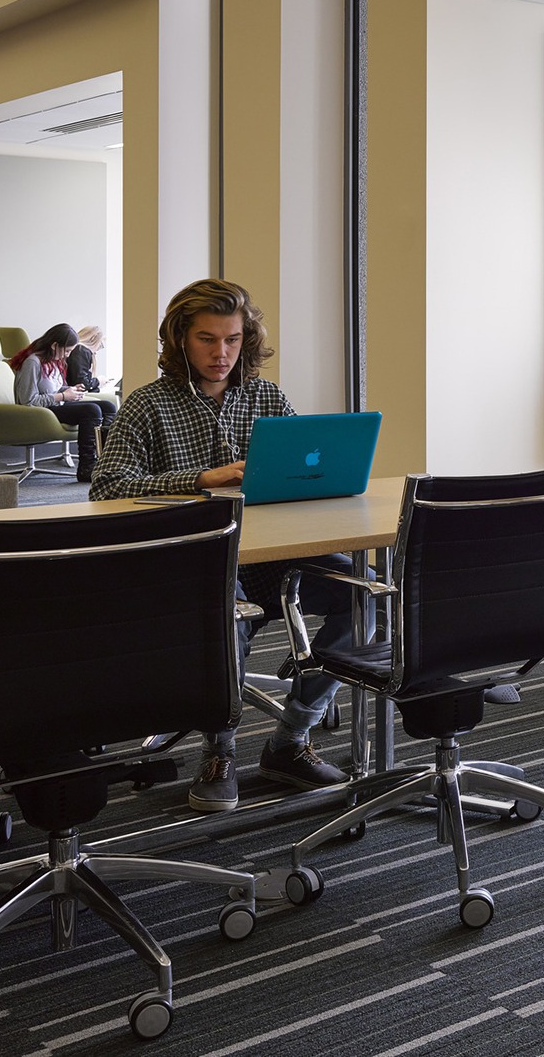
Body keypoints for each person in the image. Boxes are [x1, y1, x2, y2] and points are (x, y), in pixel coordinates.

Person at [90, 278, 356, 813]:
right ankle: (220, 752)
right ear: (180, 340)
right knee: (226, 608)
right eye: (207, 339)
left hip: (271, 556)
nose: (221, 353)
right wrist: (201, 479)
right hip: (193, 565)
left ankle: (290, 739)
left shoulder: (266, 397)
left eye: (232, 340)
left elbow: (302, 471)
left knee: (362, 595)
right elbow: (107, 487)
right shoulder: (147, 405)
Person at [10, 323, 114, 483]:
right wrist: (64, 396)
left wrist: (70, 390)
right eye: (67, 351)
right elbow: (28, 400)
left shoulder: (53, 362)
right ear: (54, 345)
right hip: (41, 411)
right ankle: (86, 467)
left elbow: (54, 388)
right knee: (91, 410)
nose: (68, 355)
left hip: (55, 406)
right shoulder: (33, 363)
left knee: (108, 406)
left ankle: (105, 460)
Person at [66, 325, 105, 393]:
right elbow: (82, 384)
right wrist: (98, 381)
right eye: (100, 345)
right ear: (93, 339)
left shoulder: (78, 350)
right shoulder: (81, 351)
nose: (96, 352)